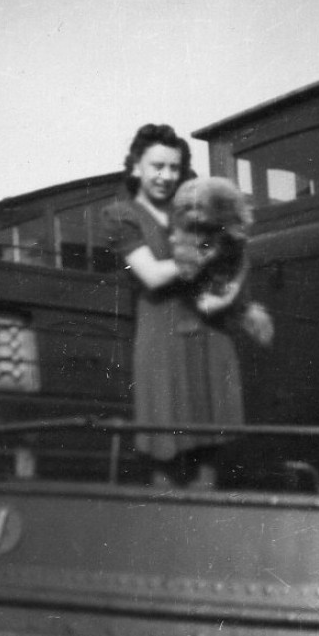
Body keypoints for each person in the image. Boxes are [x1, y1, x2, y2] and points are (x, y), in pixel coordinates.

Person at [102, 123, 251, 489]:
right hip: (162, 341)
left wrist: (229, 294)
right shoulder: (122, 216)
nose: (167, 176)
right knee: (165, 451)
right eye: (157, 166)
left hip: (209, 333)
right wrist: (210, 250)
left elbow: (239, 249)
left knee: (208, 449)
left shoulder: (194, 206)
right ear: (136, 166)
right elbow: (152, 275)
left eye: (174, 167)